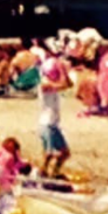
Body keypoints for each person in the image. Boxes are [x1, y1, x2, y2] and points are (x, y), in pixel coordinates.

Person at [37, 43, 72, 178]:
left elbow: (68, 84)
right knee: (48, 154)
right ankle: (42, 175)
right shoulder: (44, 84)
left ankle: (54, 174)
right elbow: (63, 84)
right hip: (47, 123)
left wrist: (62, 69)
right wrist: (62, 69)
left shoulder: (50, 82)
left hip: (53, 123)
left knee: (64, 153)